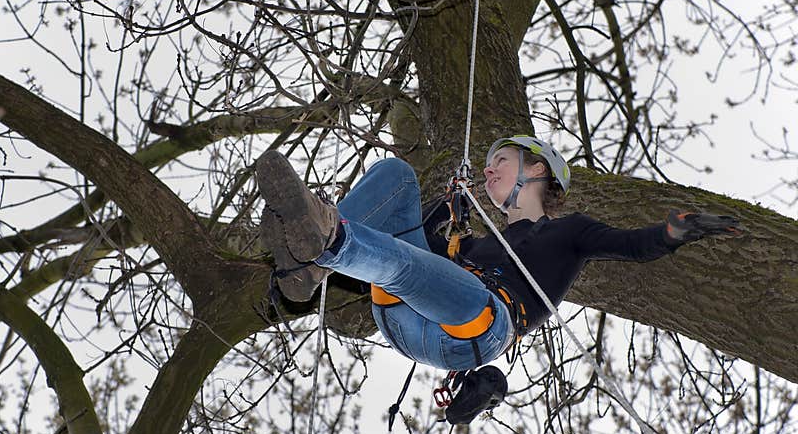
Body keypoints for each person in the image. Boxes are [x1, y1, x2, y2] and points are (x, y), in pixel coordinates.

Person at [255, 136, 742, 375]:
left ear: (537, 170)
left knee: (409, 267)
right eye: (486, 167)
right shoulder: (471, 243)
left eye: (499, 163)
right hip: (411, 308)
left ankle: (327, 241)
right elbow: (413, 244)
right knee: (398, 175)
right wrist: (444, 208)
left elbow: (633, 246)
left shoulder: (569, 232)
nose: (488, 172)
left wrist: (674, 232)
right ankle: (311, 262)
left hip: (477, 326)